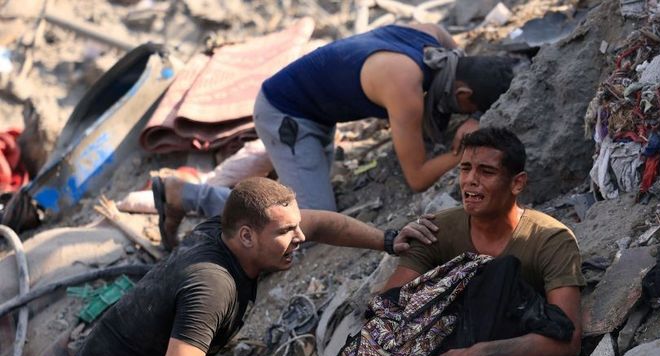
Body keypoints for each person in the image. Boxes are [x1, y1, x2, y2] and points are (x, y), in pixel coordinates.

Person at [61, 177, 435, 356]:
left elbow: (318, 224)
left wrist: (388, 240)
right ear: (246, 235)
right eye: (286, 232)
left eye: (295, 226)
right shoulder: (213, 286)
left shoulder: (228, 231)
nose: (300, 238)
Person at [335, 127, 586, 356]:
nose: (471, 182)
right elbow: (387, 308)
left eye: (486, 172)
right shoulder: (438, 229)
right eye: (465, 169)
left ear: (517, 183)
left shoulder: (550, 239)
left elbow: (568, 340)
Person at [154, 22, 515, 248]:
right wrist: (461, 151)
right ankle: (183, 194)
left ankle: (284, 169)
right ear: (463, 95)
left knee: (302, 191)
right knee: (306, 222)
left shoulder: (434, 36)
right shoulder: (403, 88)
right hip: (286, 113)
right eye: (468, 109)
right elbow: (417, 178)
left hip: (316, 106)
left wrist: (477, 117)